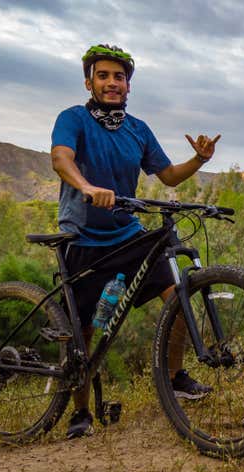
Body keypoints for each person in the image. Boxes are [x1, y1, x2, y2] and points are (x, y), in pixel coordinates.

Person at [51, 44, 221, 438]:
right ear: (89, 81)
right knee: (84, 329)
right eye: (104, 76)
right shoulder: (73, 118)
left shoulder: (137, 129)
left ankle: (176, 375)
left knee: (178, 298)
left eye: (119, 77)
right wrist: (87, 186)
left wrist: (199, 160)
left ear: (128, 86)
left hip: (128, 234)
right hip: (84, 235)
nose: (113, 83)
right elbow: (61, 159)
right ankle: (80, 413)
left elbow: (168, 176)